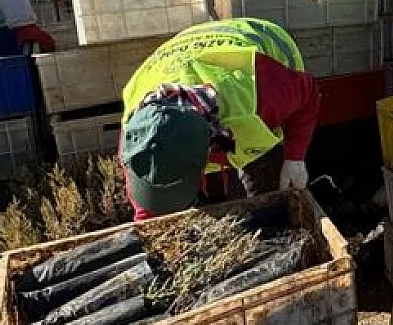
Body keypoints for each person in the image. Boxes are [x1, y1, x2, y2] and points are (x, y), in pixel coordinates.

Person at [118, 18, 321, 219]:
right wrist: (148, 224)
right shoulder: (138, 134)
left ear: (207, 150)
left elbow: (308, 92)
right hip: (183, 53)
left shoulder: (257, 96)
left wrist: (295, 158)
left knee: (263, 192)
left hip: (260, 48)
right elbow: (146, 194)